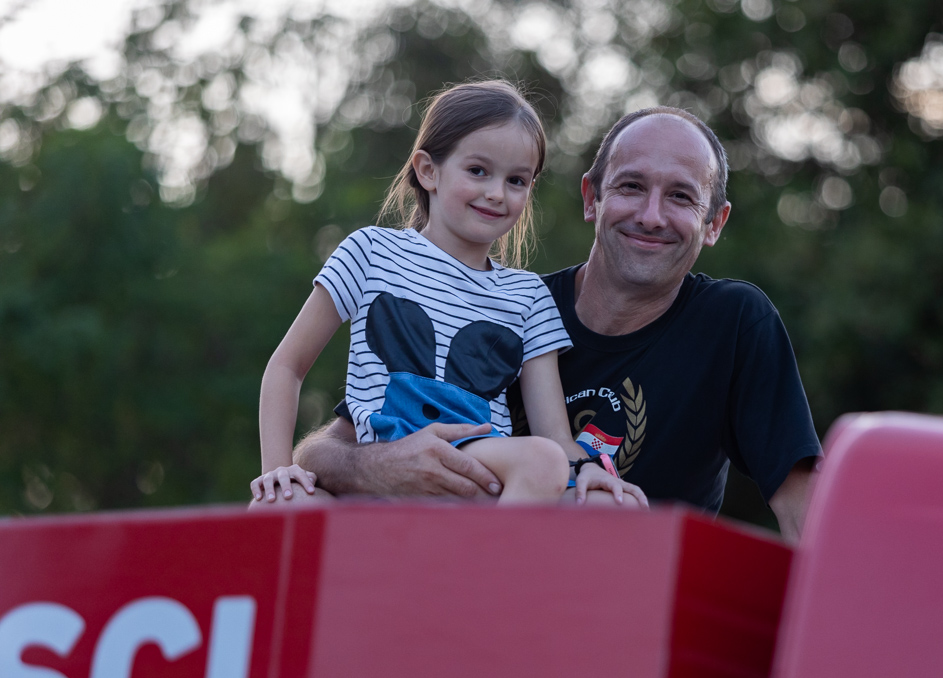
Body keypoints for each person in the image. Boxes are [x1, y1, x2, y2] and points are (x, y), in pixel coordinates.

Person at [268, 105, 822, 540]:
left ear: (714, 222)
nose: (651, 216)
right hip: (428, 539)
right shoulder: (503, 301)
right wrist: (378, 466)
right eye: (631, 186)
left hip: (618, 601)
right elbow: (325, 449)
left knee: (600, 506)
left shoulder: (731, 321)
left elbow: (803, 507)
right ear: (591, 198)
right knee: (281, 507)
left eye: (680, 196)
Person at [250, 80, 645, 507]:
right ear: (428, 170)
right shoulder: (371, 252)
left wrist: (592, 470)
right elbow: (287, 366)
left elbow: (554, 436)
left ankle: (481, 551)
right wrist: (276, 470)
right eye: (478, 171)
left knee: (608, 502)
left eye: (516, 180)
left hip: (480, 481)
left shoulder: (529, 296)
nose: (496, 193)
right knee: (275, 504)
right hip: (376, 469)